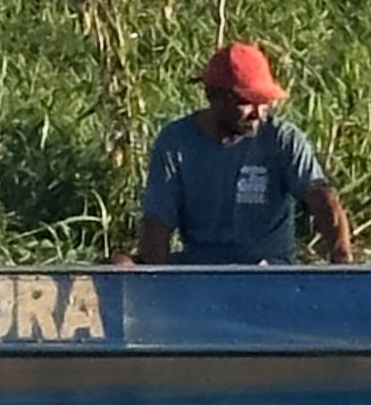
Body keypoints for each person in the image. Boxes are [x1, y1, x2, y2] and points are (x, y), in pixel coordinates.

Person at [134, 42, 355, 265]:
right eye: (247, 103)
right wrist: (148, 276)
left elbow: (321, 199)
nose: (258, 114)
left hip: (269, 274)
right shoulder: (175, 142)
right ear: (214, 96)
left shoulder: (283, 139)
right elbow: (157, 227)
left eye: (264, 103)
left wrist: (341, 260)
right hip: (201, 276)